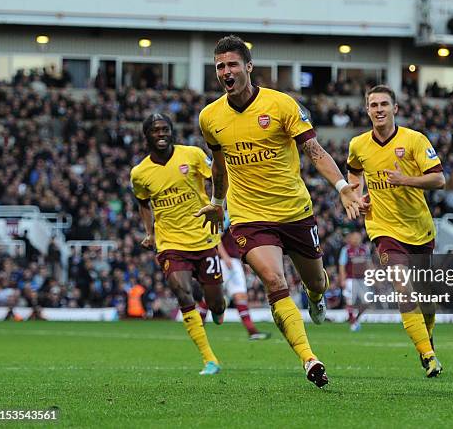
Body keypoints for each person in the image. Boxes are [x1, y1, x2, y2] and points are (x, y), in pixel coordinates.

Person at [196, 35, 362, 388]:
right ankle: (309, 358)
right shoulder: (210, 117)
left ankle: (316, 298)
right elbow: (220, 167)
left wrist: (342, 187)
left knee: (315, 282)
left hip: (294, 211)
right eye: (220, 66)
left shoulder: (281, 104)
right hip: (248, 216)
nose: (226, 71)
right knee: (274, 281)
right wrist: (217, 202)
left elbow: (315, 152)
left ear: (249, 67)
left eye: (232, 65)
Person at [346, 85, 446, 378]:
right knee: (403, 287)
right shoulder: (358, 144)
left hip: (420, 229)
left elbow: (439, 179)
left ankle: (427, 339)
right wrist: (358, 196)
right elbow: (354, 171)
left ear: (395, 108)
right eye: (373, 105)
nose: (379, 109)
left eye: (384, 104)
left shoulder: (414, 140)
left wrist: (406, 180)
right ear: (367, 110)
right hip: (383, 228)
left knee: (427, 297)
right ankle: (428, 356)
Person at [130, 113, 226, 375]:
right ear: (146, 136)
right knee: (182, 292)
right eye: (155, 130)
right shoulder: (140, 173)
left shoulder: (192, 155)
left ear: (171, 132)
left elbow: (218, 174)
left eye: (165, 129)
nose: (161, 134)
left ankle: (217, 311)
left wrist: (219, 206)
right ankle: (210, 359)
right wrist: (150, 233)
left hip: (203, 237)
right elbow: (142, 202)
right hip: (170, 242)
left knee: (217, 304)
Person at [197, 212, 271, 340]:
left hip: (234, 261)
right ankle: (197, 327)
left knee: (240, 296)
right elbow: (216, 237)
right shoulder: (226, 215)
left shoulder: (239, 214)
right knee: (212, 296)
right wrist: (225, 257)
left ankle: (252, 331)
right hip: (224, 261)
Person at [338, 231, 372, 332]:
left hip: (362, 279)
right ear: (351, 239)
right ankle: (353, 323)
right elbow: (342, 265)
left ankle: (355, 319)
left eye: (358, 238)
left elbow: (368, 263)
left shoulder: (365, 249)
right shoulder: (346, 250)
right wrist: (343, 279)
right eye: (355, 238)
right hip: (350, 279)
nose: (357, 240)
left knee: (367, 301)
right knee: (350, 301)